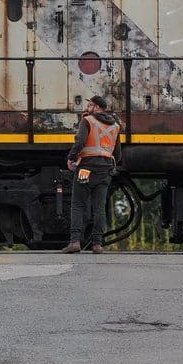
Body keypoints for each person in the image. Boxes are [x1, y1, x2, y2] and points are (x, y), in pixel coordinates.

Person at [62, 96, 121, 254]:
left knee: (78, 204)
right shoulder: (115, 126)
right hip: (105, 170)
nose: (88, 107)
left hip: (86, 169)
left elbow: (79, 142)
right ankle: (97, 244)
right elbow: (118, 153)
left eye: (90, 105)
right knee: (99, 207)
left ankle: (75, 242)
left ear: (97, 108)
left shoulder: (87, 121)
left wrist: (71, 158)